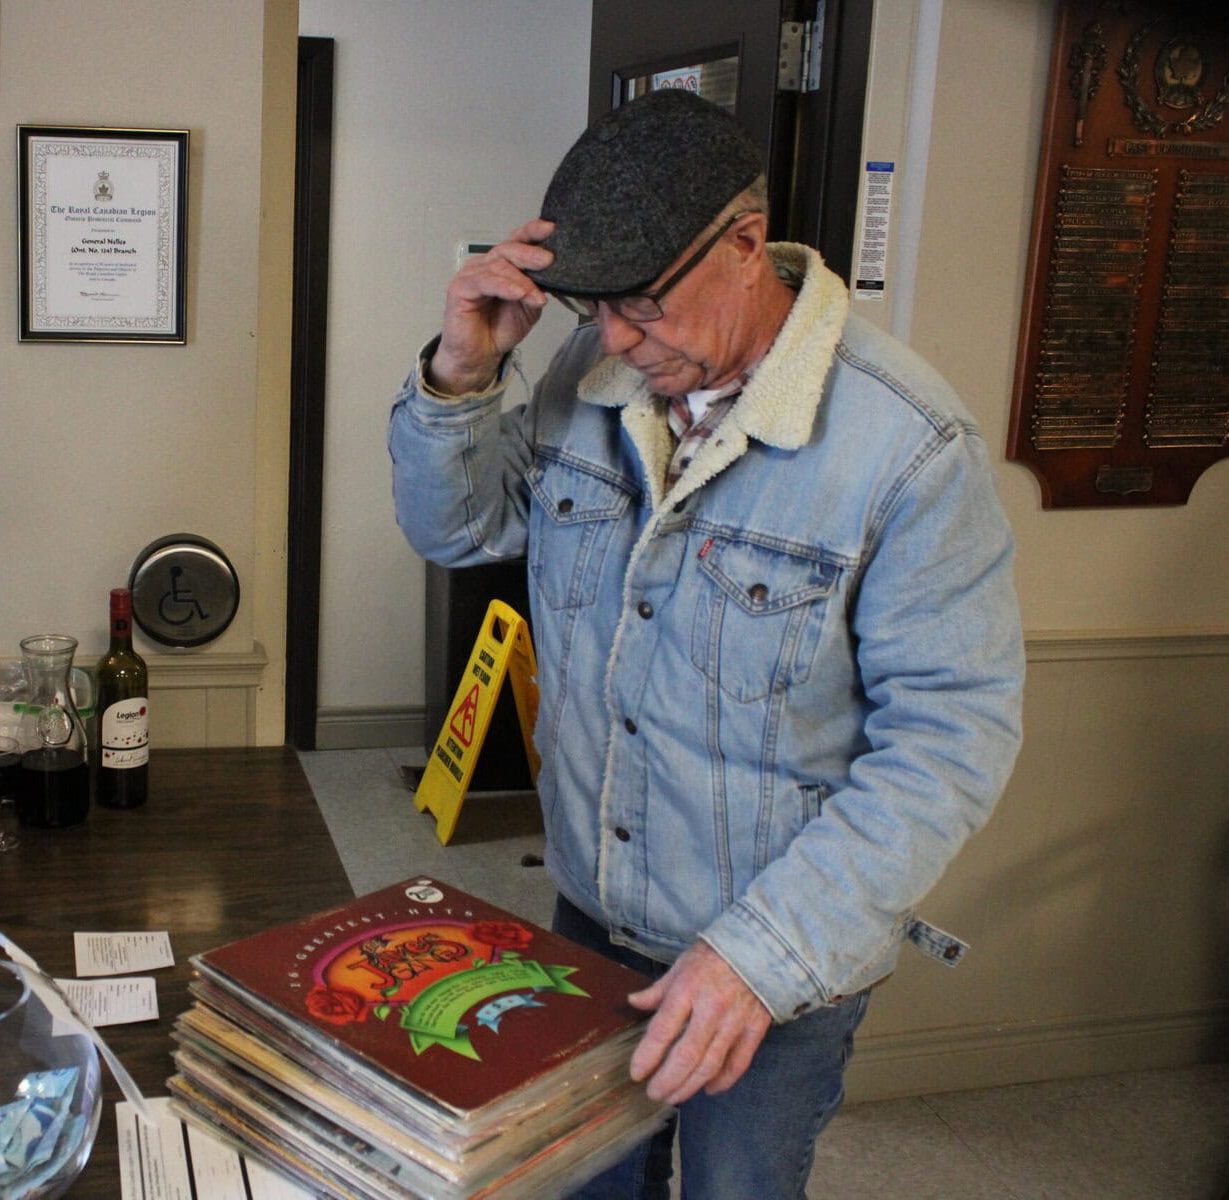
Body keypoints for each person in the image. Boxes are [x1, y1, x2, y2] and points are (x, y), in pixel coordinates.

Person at [389, 90, 1024, 1198]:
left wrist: (759, 960)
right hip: (591, 910)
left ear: (745, 245)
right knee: (585, 1180)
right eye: (597, 308)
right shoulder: (592, 374)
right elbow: (457, 530)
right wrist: (461, 375)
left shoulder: (911, 449)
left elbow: (950, 743)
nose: (619, 342)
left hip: (770, 952)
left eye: (643, 306)